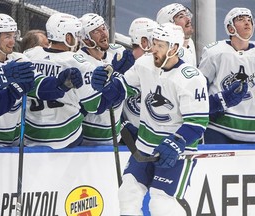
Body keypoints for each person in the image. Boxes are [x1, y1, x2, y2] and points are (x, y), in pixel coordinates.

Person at [91, 23, 209, 215]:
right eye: (154, 43)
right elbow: (123, 87)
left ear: (174, 48)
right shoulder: (144, 64)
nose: (153, 48)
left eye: (160, 45)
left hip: (177, 153)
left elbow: (197, 123)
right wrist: (105, 86)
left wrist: (176, 142)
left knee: (161, 203)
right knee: (127, 193)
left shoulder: (191, 79)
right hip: (145, 146)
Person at [0, 13, 82, 146]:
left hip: (11, 143)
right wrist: (14, 90)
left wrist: (61, 83)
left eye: (14, 35)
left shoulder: (18, 58)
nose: (13, 41)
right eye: (7, 36)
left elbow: (39, 85)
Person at [23, 13, 104, 148]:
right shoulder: (77, 62)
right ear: (67, 37)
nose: (78, 39)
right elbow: (94, 105)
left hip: (31, 134)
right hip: (67, 137)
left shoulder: (29, 55)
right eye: (75, 35)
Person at [77, 13, 134, 145]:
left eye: (104, 28)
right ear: (85, 39)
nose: (104, 34)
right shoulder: (80, 62)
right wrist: (117, 74)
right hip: (88, 140)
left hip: (115, 135)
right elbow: (95, 106)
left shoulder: (117, 52)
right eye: (96, 31)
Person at [198, 7, 253, 144]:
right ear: (230, 28)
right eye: (241, 19)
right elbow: (199, 86)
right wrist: (210, 106)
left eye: (249, 19)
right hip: (219, 127)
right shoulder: (214, 52)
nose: (247, 22)